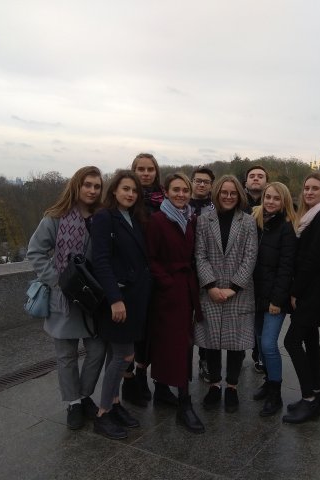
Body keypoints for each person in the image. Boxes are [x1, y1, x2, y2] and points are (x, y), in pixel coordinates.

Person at [26, 166, 106, 430]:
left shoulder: (102, 217)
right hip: (64, 299)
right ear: (77, 186)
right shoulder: (55, 217)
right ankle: (73, 403)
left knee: (97, 350)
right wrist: (58, 281)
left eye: (97, 186)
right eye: (87, 185)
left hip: (93, 298)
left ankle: (84, 395)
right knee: (66, 355)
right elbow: (35, 251)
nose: (92, 190)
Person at [91, 170, 152, 440]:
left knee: (117, 356)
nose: (130, 194)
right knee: (124, 357)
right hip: (119, 299)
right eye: (125, 188)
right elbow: (101, 260)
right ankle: (103, 413)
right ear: (114, 190)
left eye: (134, 190)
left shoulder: (134, 217)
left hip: (135, 297)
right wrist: (115, 299)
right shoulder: (104, 217)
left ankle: (115, 404)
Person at [147, 173, 205, 433]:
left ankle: (162, 390)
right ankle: (184, 402)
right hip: (168, 291)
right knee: (175, 344)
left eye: (185, 190)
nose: (181, 194)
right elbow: (150, 258)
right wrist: (167, 282)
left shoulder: (190, 219)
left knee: (182, 343)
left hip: (186, 288)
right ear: (167, 192)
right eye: (176, 190)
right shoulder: (158, 220)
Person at [195, 175, 258, 413]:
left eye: (233, 193)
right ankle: (214, 385)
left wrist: (234, 287)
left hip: (238, 291)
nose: (228, 197)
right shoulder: (204, 220)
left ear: (239, 195)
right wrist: (210, 286)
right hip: (210, 290)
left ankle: (232, 386)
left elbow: (250, 256)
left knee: (235, 342)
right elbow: (199, 254)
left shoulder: (248, 221)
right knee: (211, 341)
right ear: (217, 194)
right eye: (224, 192)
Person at [122, 153, 178, 408]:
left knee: (155, 331)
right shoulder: (127, 199)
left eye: (150, 169)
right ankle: (131, 380)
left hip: (159, 273)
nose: (145, 173)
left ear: (156, 172)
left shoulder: (165, 200)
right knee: (134, 332)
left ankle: (149, 377)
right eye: (140, 169)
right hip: (133, 275)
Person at [282, 172, 320, 424]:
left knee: (292, 342)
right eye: (306, 188)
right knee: (311, 341)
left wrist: (295, 291)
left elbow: (313, 259)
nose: (309, 192)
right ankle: (316, 395)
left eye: (315, 188)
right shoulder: (311, 216)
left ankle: (308, 398)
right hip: (312, 289)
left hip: (313, 291)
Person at [251, 182, 297, 416]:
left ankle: (275, 393)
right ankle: (269, 382)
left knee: (269, 344)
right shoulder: (257, 222)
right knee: (260, 342)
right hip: (255, 294)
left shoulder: (286, 227)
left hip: (273, 298)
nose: (270, 201)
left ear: (284, 201)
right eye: (267, 197)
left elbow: (286, 268)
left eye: (276, 198)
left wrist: (277, 301)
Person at [189, 166, 216, 382]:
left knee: (206, 319)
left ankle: (205, 360)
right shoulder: (181, 204)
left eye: (206, 182)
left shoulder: (216, 208)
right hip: (186, 268)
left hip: (209, 269)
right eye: (198, 180)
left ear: (211, 185)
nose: (201, 184)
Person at [244, 165, 269, 372]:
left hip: (264, 269)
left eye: (260, 176)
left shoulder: (272, 202)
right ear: (246, 181)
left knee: (260, 316)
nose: (256, 179)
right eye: (252, 176)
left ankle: (259, 354)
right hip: (242, 267)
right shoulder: (238, 202)